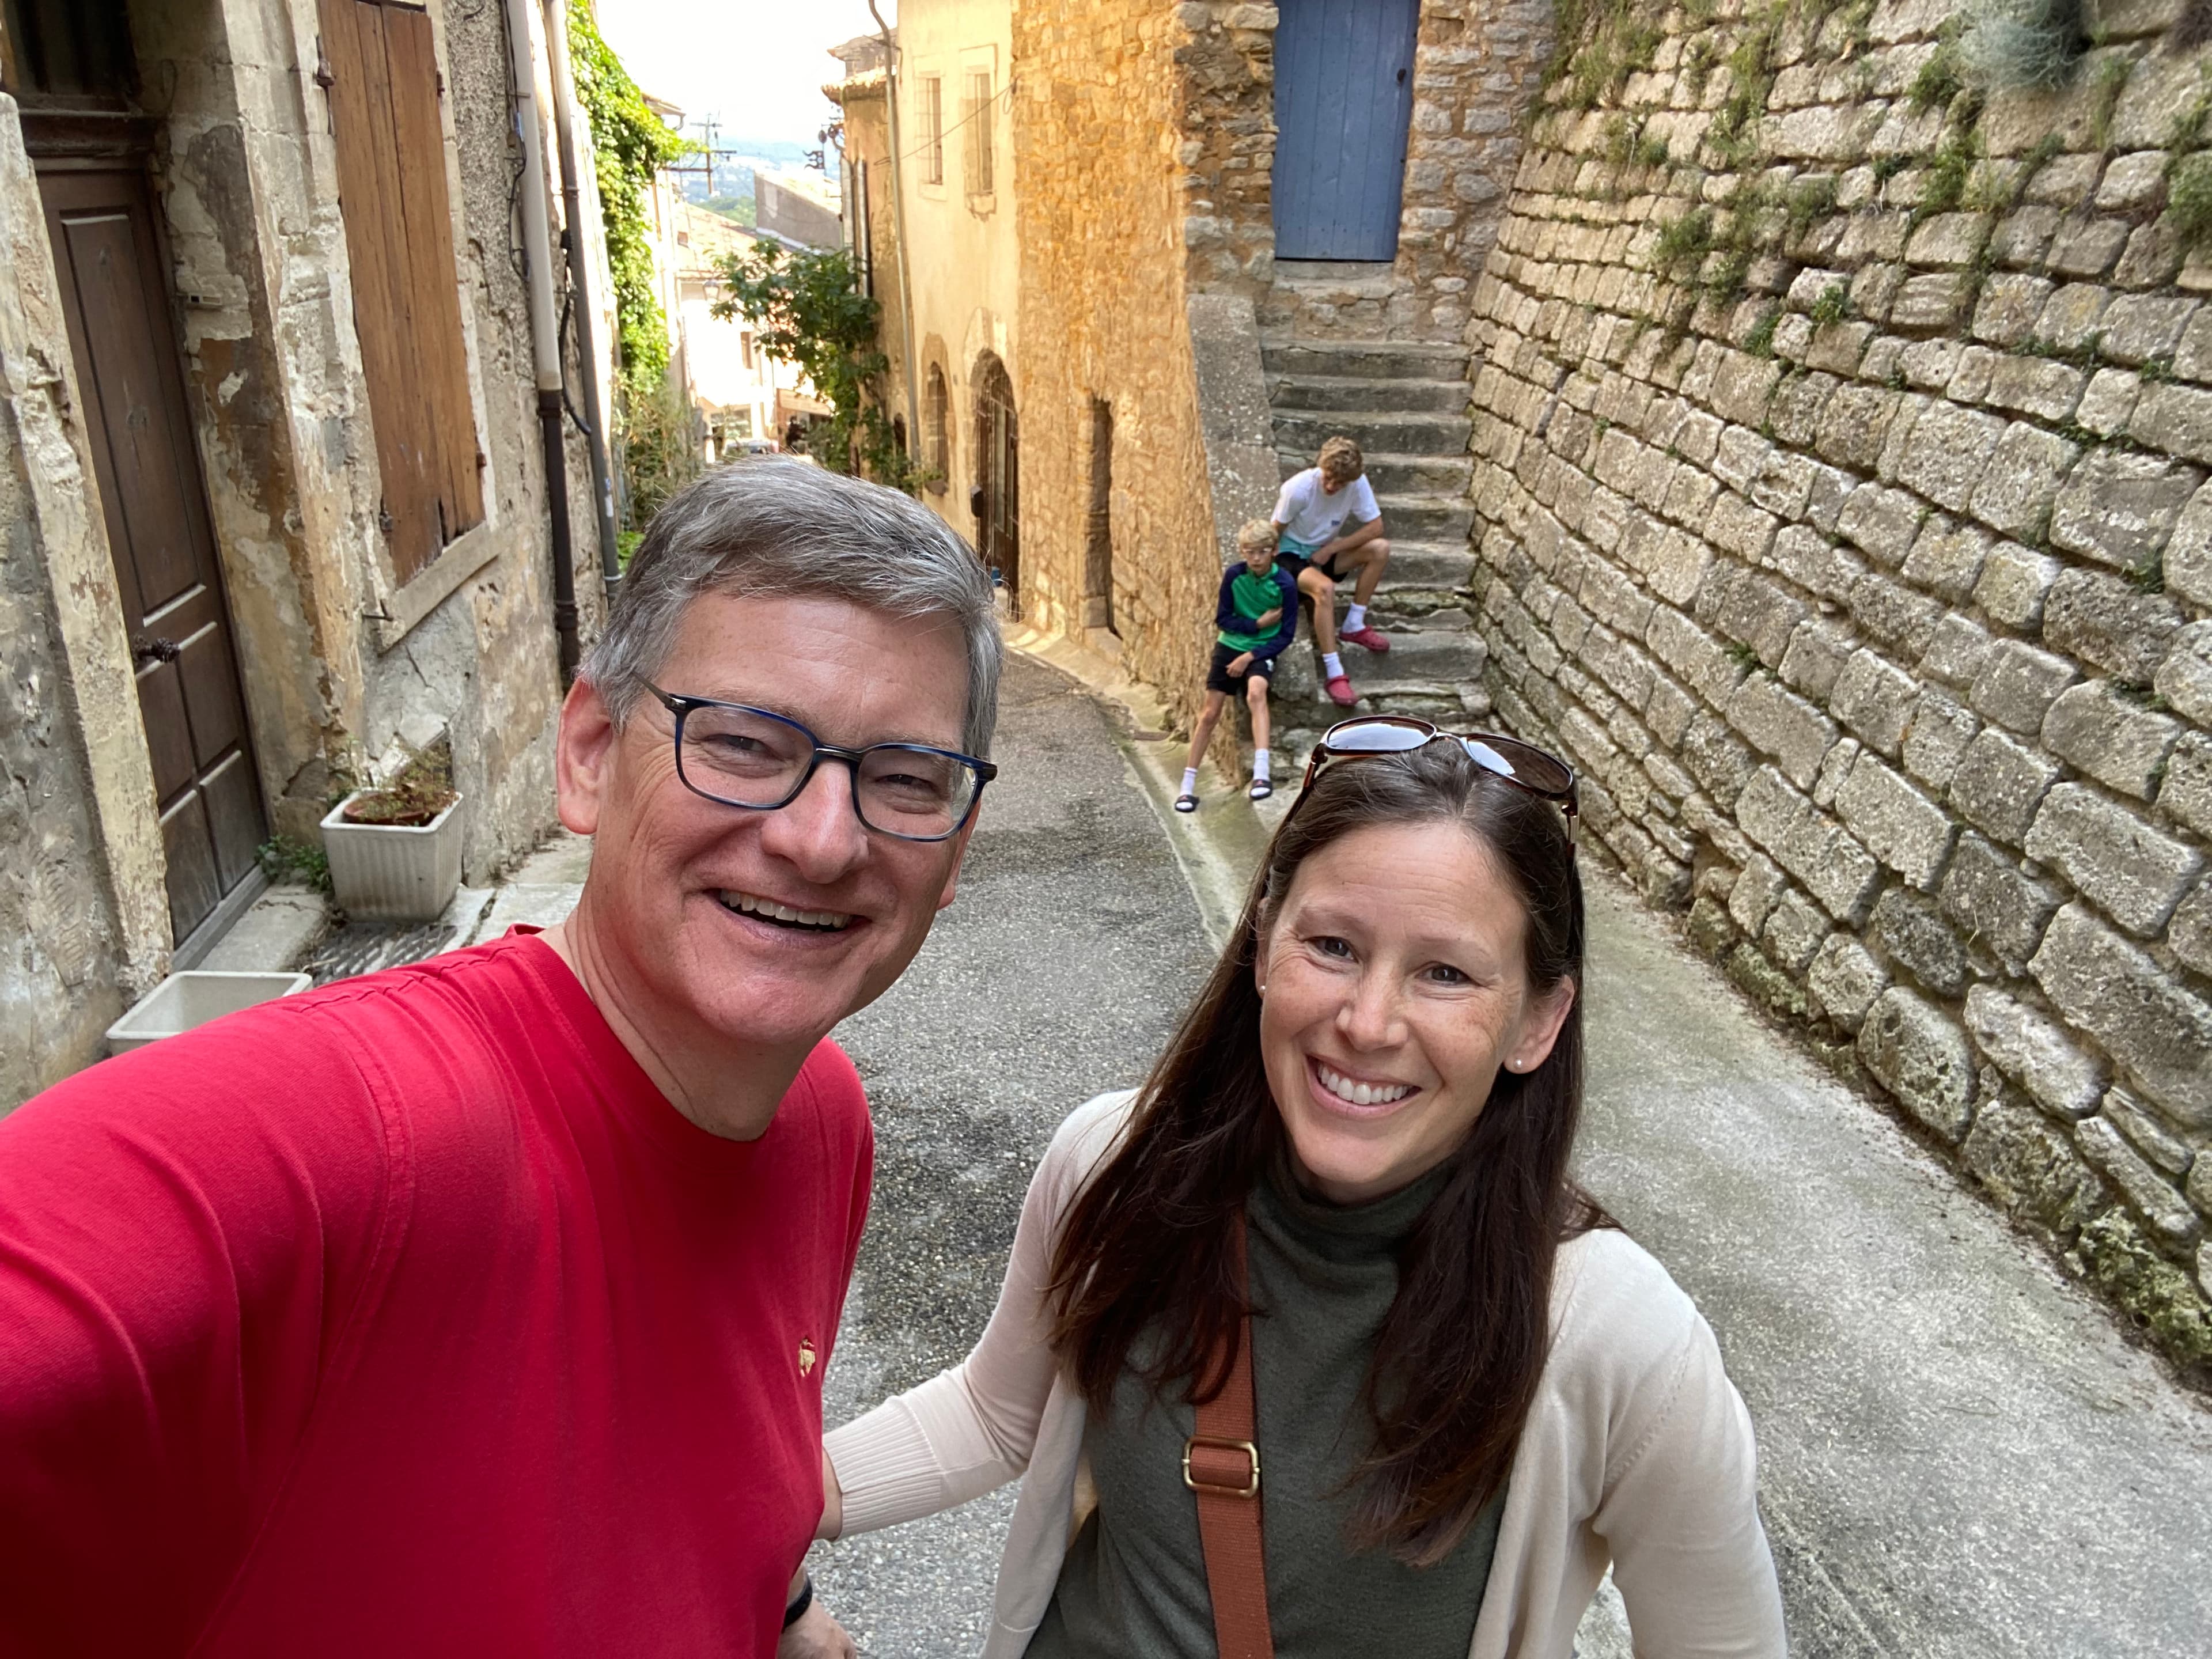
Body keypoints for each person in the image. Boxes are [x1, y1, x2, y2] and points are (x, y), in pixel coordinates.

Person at [0, 459, 999, 1657]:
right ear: (586, 753)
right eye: (741, 744)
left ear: (957, 846)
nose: (824, 840)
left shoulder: (817, 1122)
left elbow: (693, 1478)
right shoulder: (364, 1125)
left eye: (904, 780)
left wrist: (775, 1604)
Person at [812, 720, 1787, 1658]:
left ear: (1538, 1021)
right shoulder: (1114, 1167)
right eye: (1334, 947)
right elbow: (996, 1412)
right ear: (1264, 943)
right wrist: (749, 1508)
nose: (1368, 1021)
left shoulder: (1621, 1340)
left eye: (1446, 973)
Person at [1176, 518, 1300, 813]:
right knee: (1210, 713)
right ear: (1243, 552)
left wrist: (1251, 656)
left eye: (1262, 551)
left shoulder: (1285, 584)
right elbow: (1224, 618)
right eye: (1249, 552)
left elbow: (1286, 635)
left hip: (1260, 651)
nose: (1255, 558)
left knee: (1256, 692)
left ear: (1274, 551)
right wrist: (1256, 624)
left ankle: (1261, 774)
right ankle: (1187, 786)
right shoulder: (1234, 576)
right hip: (1230, 644)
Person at [1272, 435, 1395, 708]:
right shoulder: (1299, 489)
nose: (1332, 486)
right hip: (1290, 555)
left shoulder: (1357, 483)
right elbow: (1273, 534)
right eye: (1328, 478)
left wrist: (1335, 547)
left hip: (1324, 550)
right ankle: (1335, 671)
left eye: (1340, 483)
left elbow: (1375, 527)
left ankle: (1354, 623)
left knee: (1380, 549)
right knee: (1325, 589)